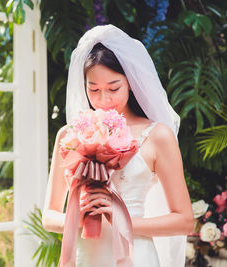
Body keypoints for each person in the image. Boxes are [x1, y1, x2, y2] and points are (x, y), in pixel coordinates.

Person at [42, 24, 194, 267]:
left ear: (131, 82)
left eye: (113, 88)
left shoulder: (157, 136)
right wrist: (77, 218)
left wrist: (121, 219)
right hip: (85, 258)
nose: (104, 100)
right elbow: (48, 217)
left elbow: (185, 221)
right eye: (94, 89)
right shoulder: (69, 135)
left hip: (137, 257)